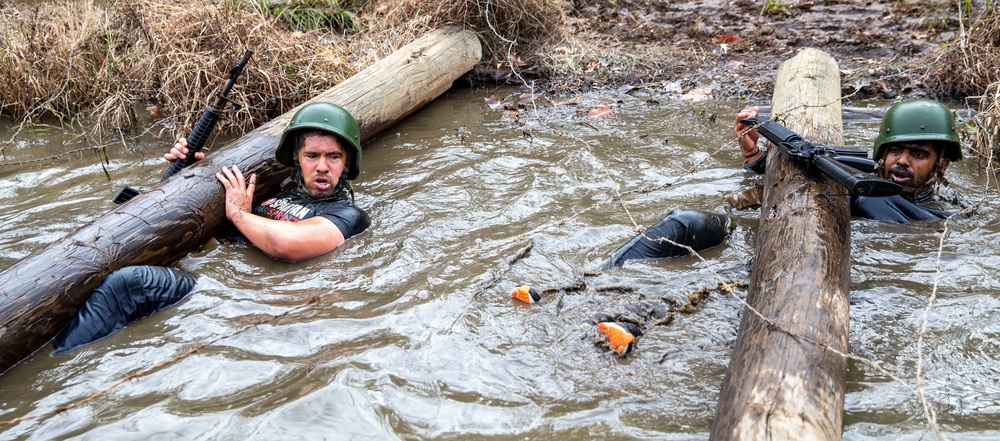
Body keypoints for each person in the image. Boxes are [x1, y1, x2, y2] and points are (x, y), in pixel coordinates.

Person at [52, 102, 371, 354]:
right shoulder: (270, 194)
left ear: (346, 163)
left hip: (229, 300)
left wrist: (239, 215)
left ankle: (51, 372)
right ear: (297, 158)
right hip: (206, 279)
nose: (322, 166)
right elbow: (208, 229)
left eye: (333, 157)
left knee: (129, 284)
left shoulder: (348, 215)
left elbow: (287, 244)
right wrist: (191, 175)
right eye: (312, 155)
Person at [734, 99, 964, 223]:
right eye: (895, 150)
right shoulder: (856, 177)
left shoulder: (947, 212)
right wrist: (755, 157)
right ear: (881, 153)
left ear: (941, 166)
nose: (902, 160)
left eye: (918, 154)